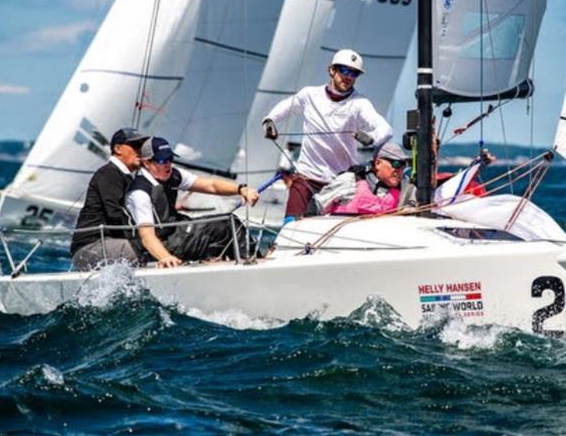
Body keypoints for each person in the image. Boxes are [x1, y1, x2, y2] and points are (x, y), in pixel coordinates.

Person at [262, 49, 393, 220]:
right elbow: (285, 108)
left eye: (354, 73)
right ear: (332, 70)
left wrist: (372, 138)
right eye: (345, 70)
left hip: (341, 182)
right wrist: (269, 120)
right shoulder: (310, 94)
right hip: (307, 177)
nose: (348, 77)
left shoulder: (360, 103)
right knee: (290, 226)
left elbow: (386, 129)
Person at [125, 137, 260, 268]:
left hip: (177, 233)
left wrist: (241, 189)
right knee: (227, 223)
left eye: (170, 159)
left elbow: (210, 185)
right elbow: (147, 236)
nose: (168, 165)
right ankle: (254, 263)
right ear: (147, 163)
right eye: (162, 160)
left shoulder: (173, 175)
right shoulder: (139, 193)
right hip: (161, 245)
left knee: (224, 225)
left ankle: (235, 261)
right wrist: (165, 257)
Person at [70, 127, 148, 271]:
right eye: (135, 146)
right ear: (118, 149)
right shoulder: (109, 174)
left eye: (141, 146)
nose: (140, 150)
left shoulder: (130, 177)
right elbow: (116, 214)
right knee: (143, 249)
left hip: (112, 243)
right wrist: (146, 238)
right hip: (90, 247)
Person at [316, 142, 414, 215]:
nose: (400, 170)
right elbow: (317, 205)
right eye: (397, 164)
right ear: (377, 163)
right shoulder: (351, 180)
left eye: (403, 165)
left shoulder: (405, 187)